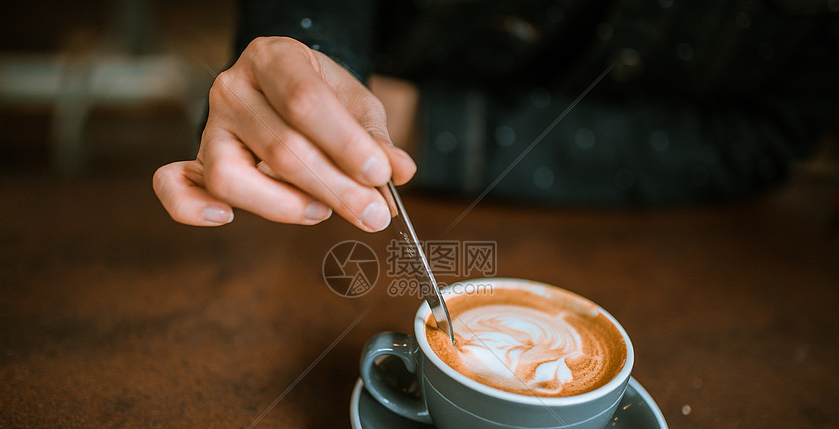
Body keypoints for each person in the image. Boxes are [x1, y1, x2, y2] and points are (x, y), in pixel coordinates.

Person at [153, 1, 839, 231]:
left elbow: (766, 135)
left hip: (677, 234)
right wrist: (309, 64)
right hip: (329, 224)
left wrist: (427, 120)